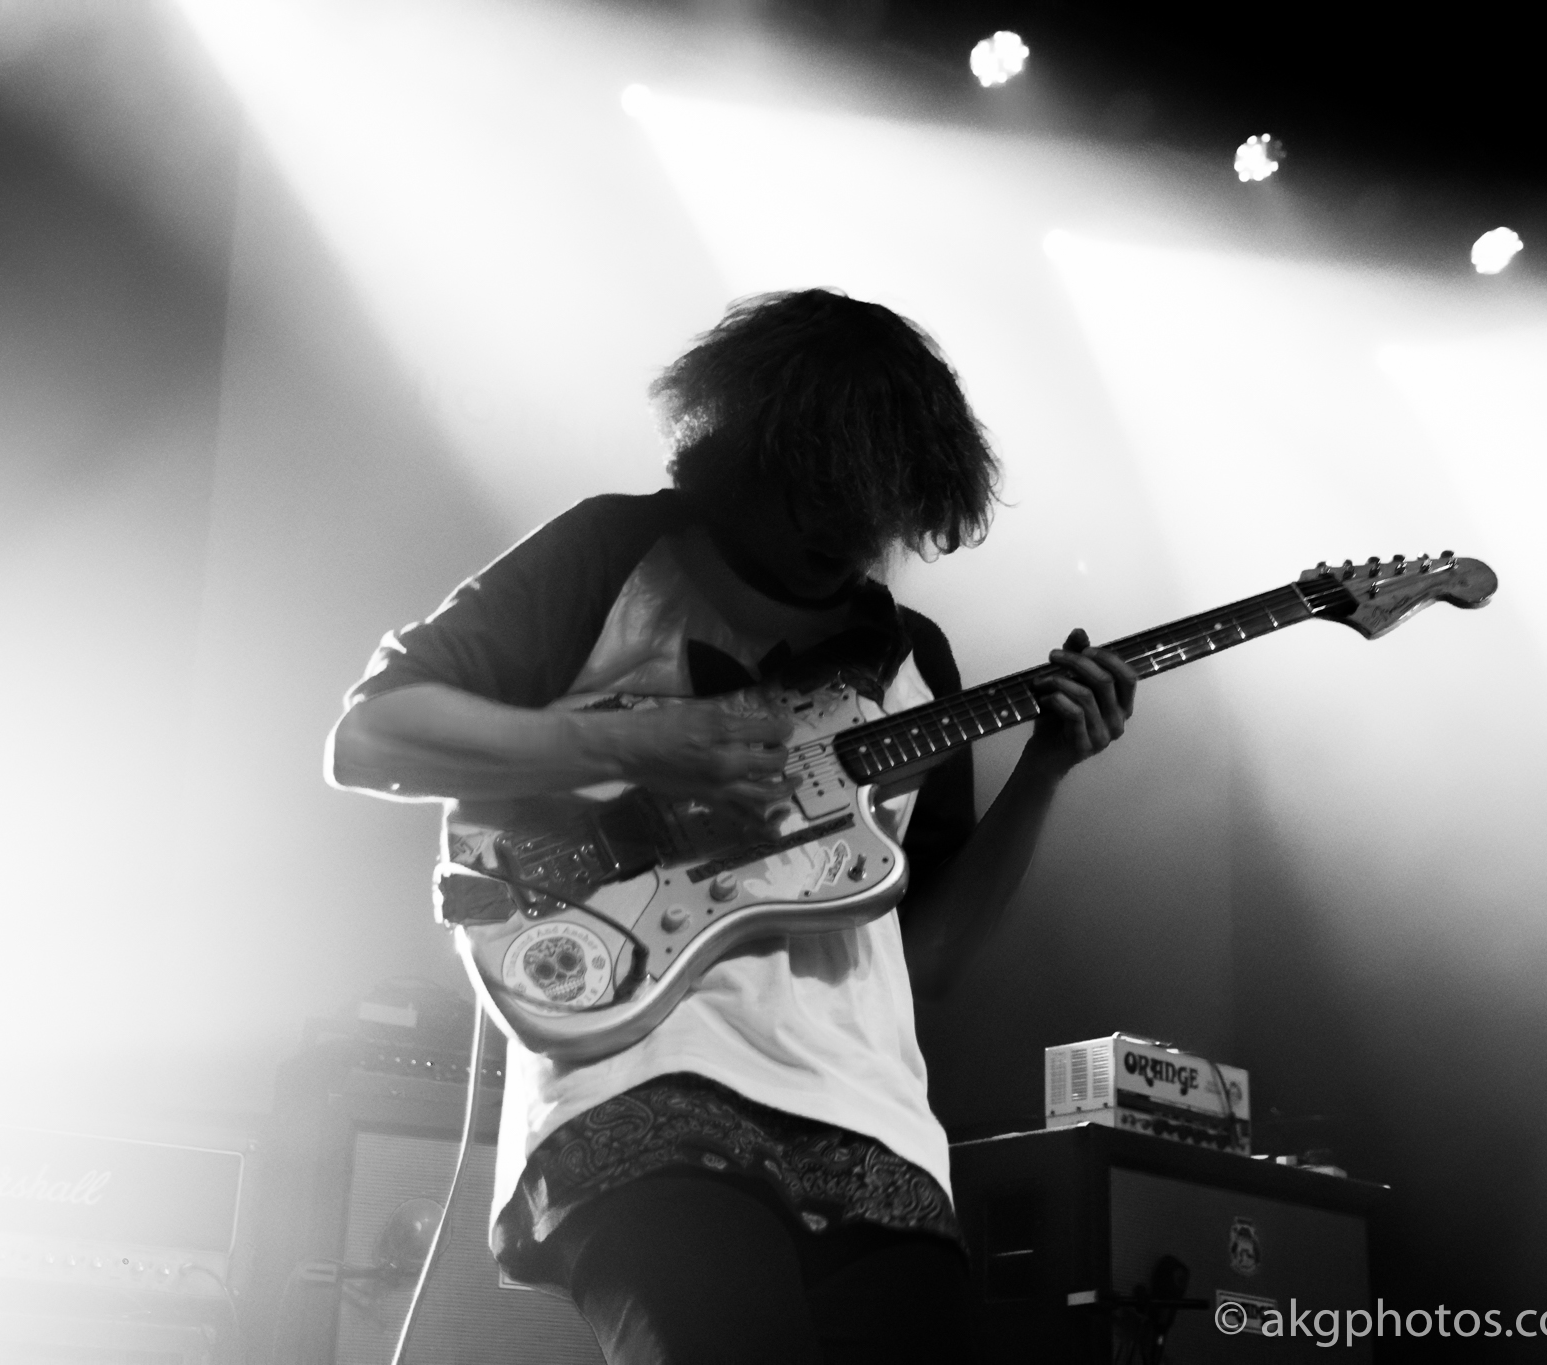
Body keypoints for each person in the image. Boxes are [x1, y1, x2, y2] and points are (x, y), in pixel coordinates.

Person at [327, 289, 1137, 1363]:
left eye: (871, 515)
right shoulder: (614, 552)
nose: (842, 538)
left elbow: (928, 956)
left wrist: (1044, 769)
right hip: (640, 1087)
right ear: (746, 453)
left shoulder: (915, 661)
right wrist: (638, 744)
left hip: (873, 1130)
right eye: (819, 496)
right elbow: (372, 737)